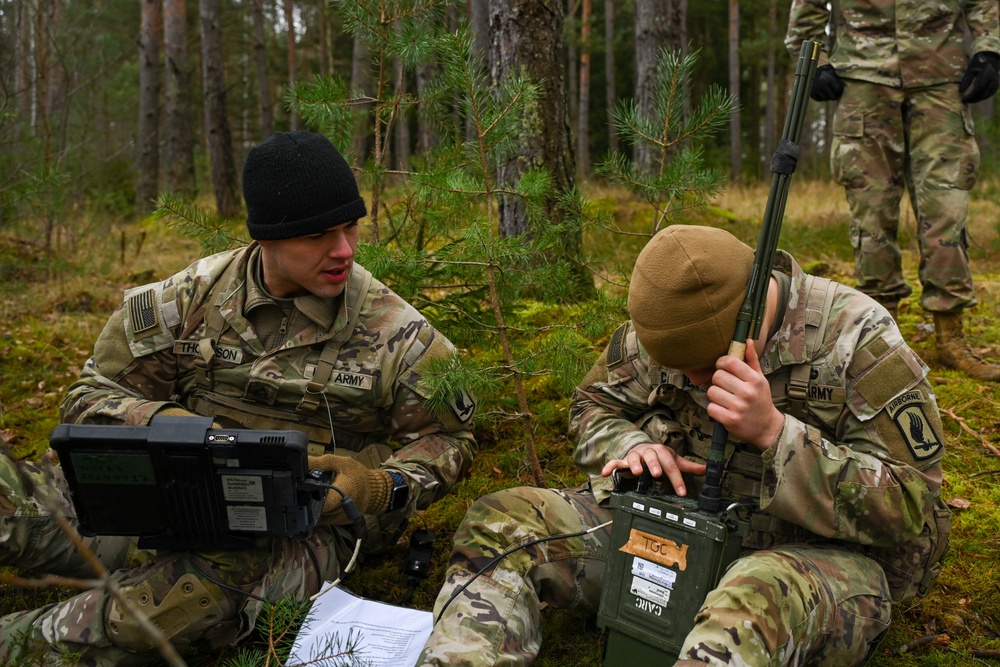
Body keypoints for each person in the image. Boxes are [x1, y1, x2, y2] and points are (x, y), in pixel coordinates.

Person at [0, 130, 478, 665]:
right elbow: (92, 394)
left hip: (293, 535)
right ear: (267, 237)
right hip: (154, 500)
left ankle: (22, 642)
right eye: (318, 234)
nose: (343, 249)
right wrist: (170, 425)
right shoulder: (186, 300)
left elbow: (447, 440)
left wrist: (376, 486)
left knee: (182, 600)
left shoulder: (401, 337)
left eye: (351, 227)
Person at [417, 225, 950, 666]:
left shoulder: (858, 340)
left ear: (749, 318)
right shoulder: (662, 332)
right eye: (680, 372)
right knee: (504, 521)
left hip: (806, 566)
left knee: (749, 600)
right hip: (674, 538)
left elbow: (909, 505)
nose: (694, 383)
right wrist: (632, 443)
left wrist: (774, 434)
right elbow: (589, 407)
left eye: (704, 368)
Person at [785, 0, 1000, 381]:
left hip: (940, 75)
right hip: (863, 78)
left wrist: (990, 48)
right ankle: (880, 340)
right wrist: (812, 57)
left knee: (946, 208)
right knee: (871, 211)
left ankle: (951, 338)